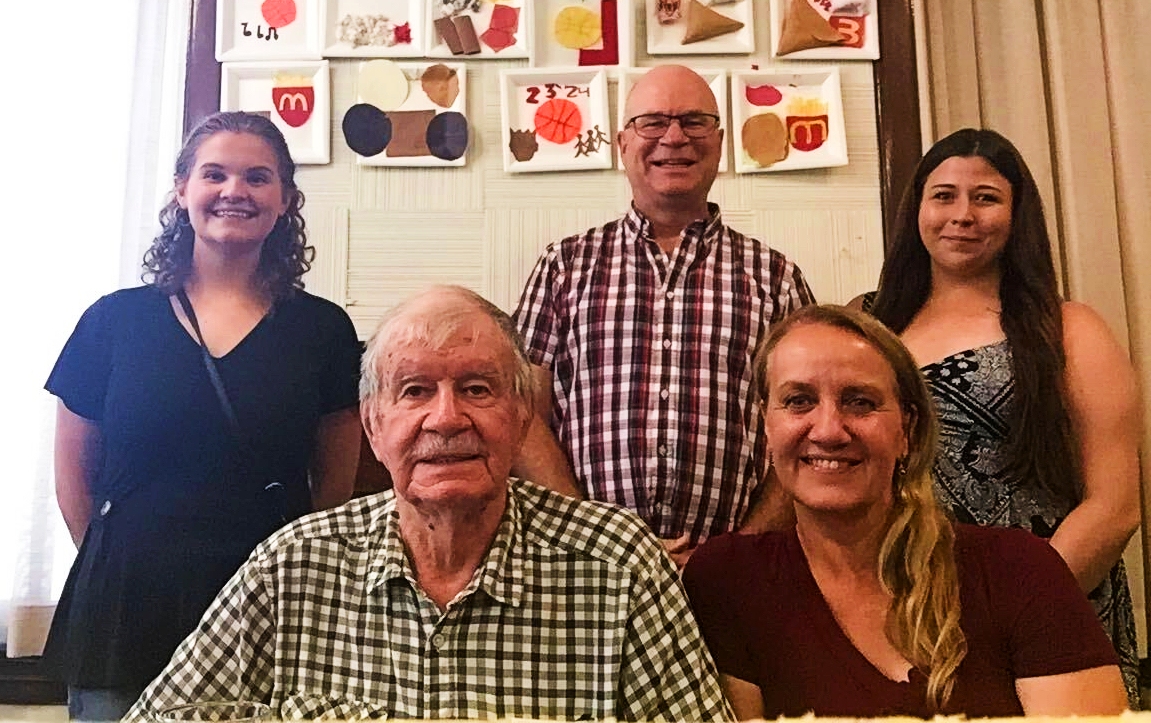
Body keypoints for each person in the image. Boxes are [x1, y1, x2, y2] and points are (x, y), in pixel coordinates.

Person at [125, 285, 732, 722]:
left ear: (521, 419)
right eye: (415, 391)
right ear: (373, 426)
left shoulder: (619, 564)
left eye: (476, 389)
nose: (446, 418)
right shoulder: (290, 568)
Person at [41, 111, 364, 721]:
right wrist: (121, 556)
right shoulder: (112, 321)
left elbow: (335, 488)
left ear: (286, 200)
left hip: (269, 608)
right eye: (214, 174)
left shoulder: (323, 331)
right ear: (181, 189)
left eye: (257, 177)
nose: (234, 191)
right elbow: (71, 475)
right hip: (126, 608)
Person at [683, 304, 1128, 718]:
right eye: (799, 400)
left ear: (907, 431)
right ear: (766, 423)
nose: (829, 430)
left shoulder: (1019, 570)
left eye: (860, 401)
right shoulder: (728, 581)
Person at [851, 128, 1142, 705]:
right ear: (917, 210)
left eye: (985, 197)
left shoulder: (1070, 329)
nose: (962, 215)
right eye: (944, 196)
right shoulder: (868, 325)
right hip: (900, 618)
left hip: (1046, 617)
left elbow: (1115, 507)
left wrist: (1007, 615)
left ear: (1016, 215)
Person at [514, 64, 815, 566]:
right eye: (652, 122)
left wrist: (738, 551)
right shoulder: (564, 266)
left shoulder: (776, 277)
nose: (674, 138)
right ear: (622, 143)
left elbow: (807, 426)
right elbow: (520, 414)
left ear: (719, 142)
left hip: (734, 573)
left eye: (695, 121)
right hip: (584, 567)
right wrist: (595, 536)